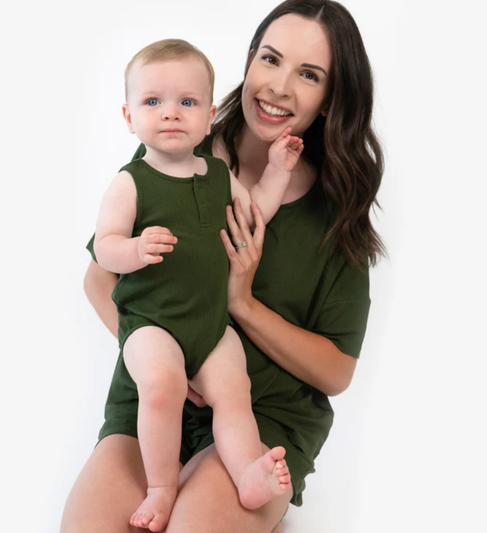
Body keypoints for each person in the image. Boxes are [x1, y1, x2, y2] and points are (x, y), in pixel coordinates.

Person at [61, 1, 385, 532]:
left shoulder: (334, 213)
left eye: (308, 74)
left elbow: (336, 371)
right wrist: (161, 363)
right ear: (250, 59)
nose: (279, 86)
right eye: (270, 59)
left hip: (261, 414)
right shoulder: (174, 150)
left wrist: (243, 303)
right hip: (155, 401)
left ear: (331, 99)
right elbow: (100, 280)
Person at [93, 38, 304, 531]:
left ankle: (246, 471)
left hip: (209, 325)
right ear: (128, 116)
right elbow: (104, 247)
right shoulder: (131, 181)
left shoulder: (217, 175)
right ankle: (161, 488)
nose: (170, 113)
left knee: (234, 391)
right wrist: (134, 249)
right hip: (151, 325)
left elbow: (255, 214)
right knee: (162, 387)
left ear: (209, 117)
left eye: (187, 102)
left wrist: (277, 170)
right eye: (153, 101)